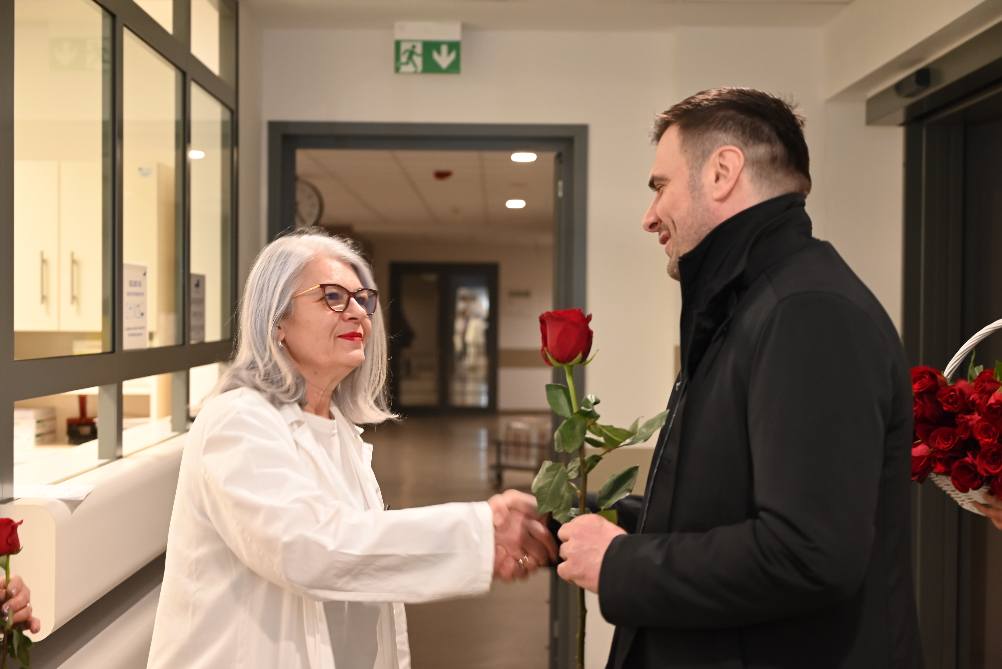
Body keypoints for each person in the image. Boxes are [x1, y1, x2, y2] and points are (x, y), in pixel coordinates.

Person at [555, 88, 922, 668]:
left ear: (723, 172)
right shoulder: (751, 302)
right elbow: (727, 506)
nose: (649, 216)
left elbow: (807, 552)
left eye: (660, 186)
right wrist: (586, 517)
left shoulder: (808, 312)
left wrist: (622, 564)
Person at [148, 232, 556, 669]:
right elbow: (307, 549)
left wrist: (483, 535)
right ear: (277, 320)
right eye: (332, 297)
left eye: (363, 299)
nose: (358, 312)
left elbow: (359, 545)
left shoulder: (336, 428)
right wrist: (479, 532)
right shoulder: (239, 420)